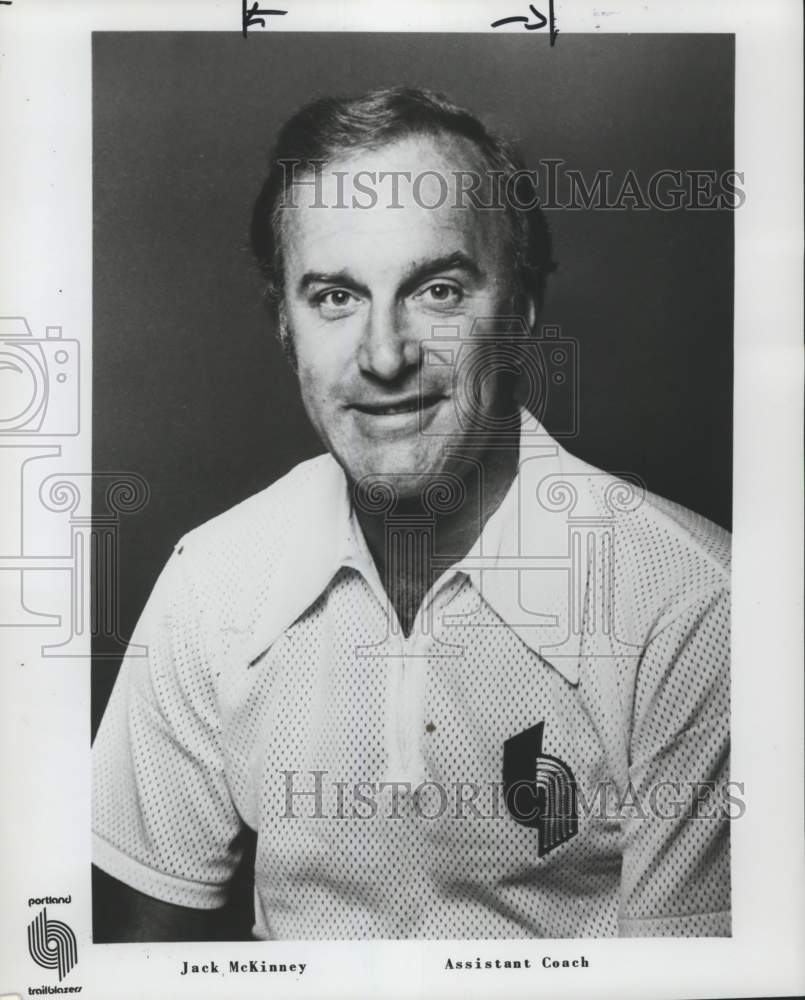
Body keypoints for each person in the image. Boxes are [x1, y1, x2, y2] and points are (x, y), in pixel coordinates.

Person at [91, 87, 731, 941]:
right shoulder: (211, 581)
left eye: (435, 290)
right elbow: (139, 965)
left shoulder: (693, 608)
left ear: (521, 308)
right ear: (284, 323)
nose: (384, 356)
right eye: (332, 297)